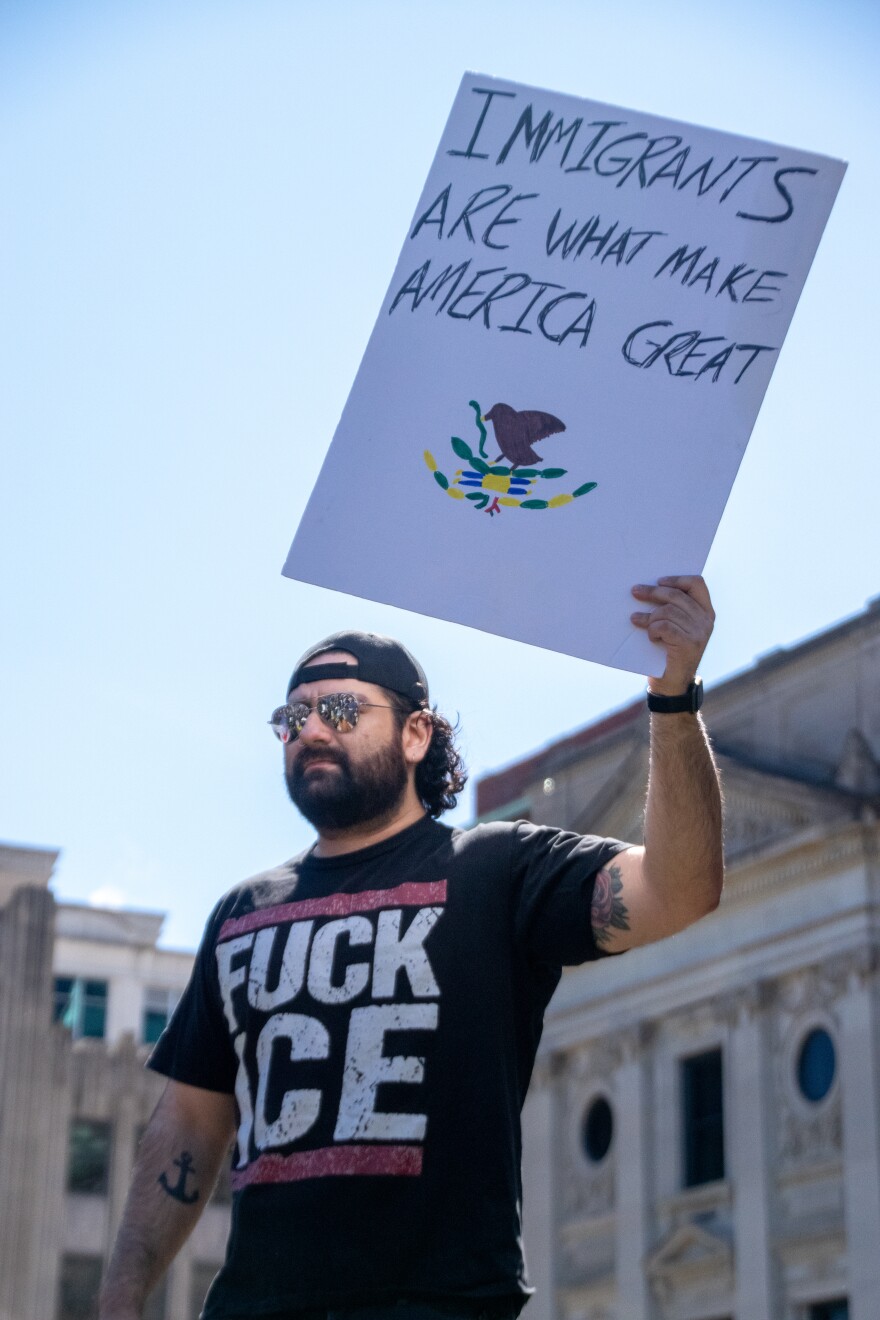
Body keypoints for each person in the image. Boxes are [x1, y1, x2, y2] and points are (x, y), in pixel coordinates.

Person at [99, 576, 723, 1320]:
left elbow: (680, 889)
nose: (312, 731)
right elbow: (190, 1124)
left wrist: (673, 696)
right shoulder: (241, 913)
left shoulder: (498, 871)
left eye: (339, 710)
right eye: (292, 717)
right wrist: (120, 1297)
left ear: (416, 733)